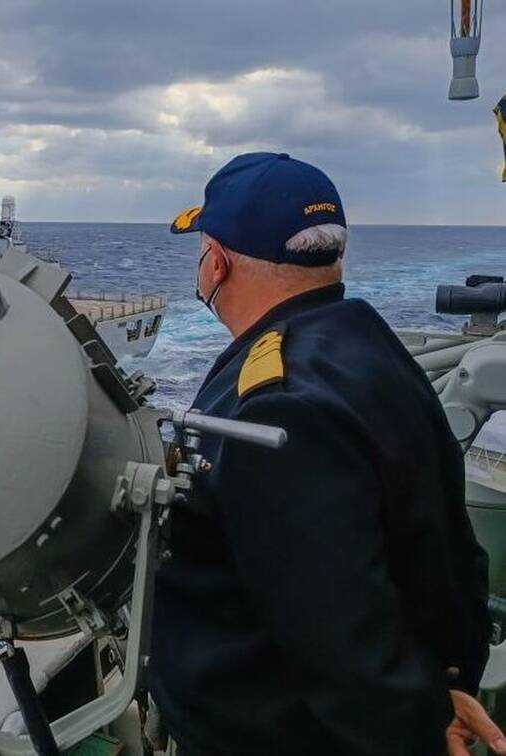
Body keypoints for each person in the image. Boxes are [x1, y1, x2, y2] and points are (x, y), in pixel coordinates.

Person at [151, 152, 497, 755]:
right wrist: (444, 680)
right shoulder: (367, 345)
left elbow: (332, 618)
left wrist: (421, 720)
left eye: (203, 250)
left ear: (219, 262)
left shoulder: (278, 405)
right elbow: (438, 545)